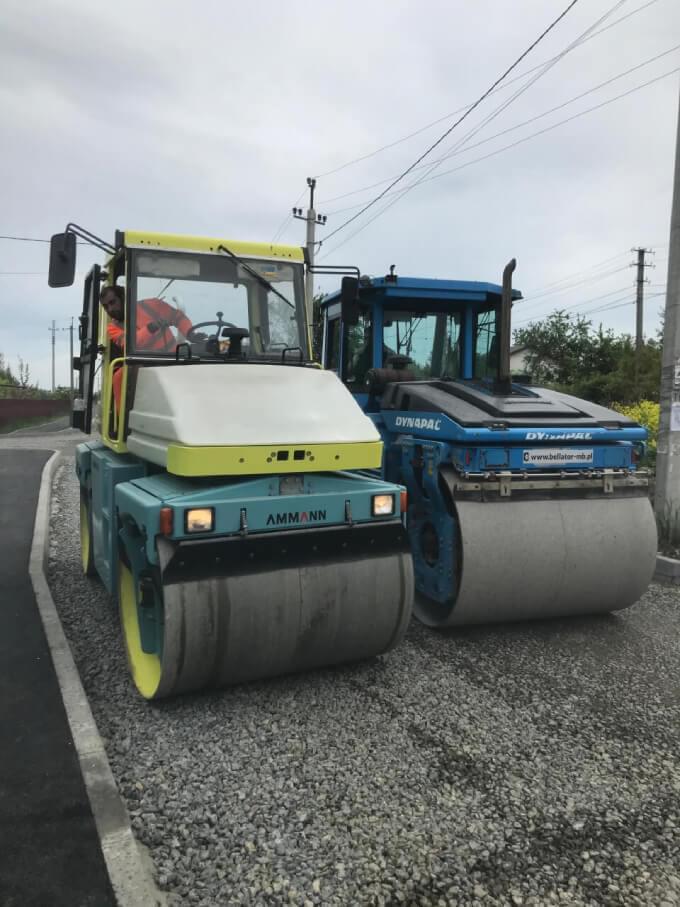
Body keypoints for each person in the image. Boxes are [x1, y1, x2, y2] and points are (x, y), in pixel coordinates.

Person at [99, 285, 197, 412]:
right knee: (119, 376)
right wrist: (151, 327)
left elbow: (177, 317)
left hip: (173, 359)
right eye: (106, 306)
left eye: (112, 302)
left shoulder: (152, 305)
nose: (110, 309)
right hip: (143, 367)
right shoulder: (112, 328)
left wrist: (191, 333)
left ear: (123, 297)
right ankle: (123, 419)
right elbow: (129, 343)